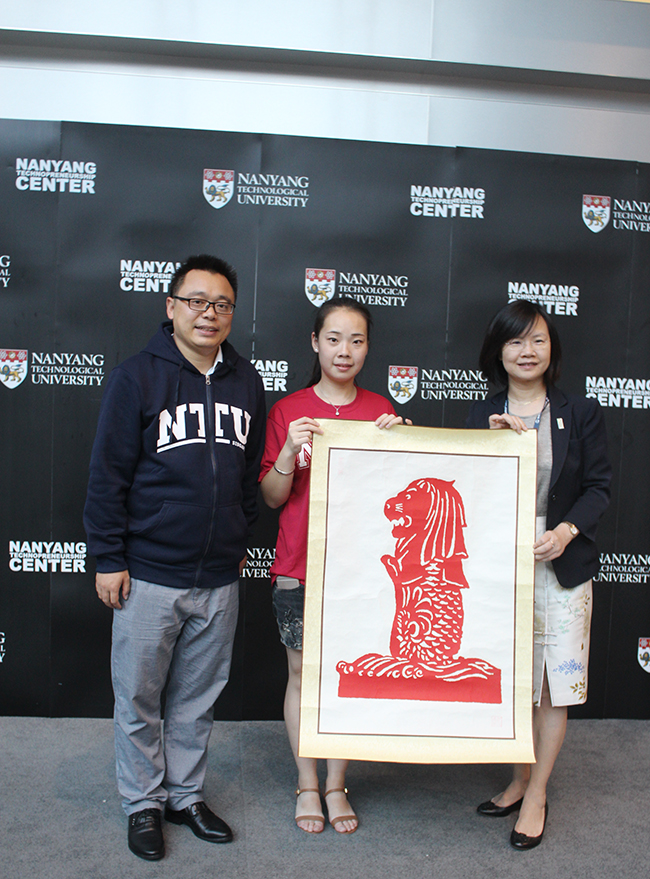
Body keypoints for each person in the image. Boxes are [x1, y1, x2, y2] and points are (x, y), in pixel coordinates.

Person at [83, 254, 265, 861]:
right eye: (196, 301)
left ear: (232, 313)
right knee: (139, 698)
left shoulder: (246, 381)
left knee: (197, 699)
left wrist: (235, 538)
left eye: (221, 304)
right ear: (171, 306)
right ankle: (143, 803)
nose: (209, 313)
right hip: (149, 574)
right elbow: (107, 476)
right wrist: (108, 557)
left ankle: (185, 796)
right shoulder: (136, 376)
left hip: (218, 576)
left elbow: (247, 474)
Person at [466, 300, 611, 850]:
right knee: (513, 680)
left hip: (562, 562)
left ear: (552, 349)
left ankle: (537, 792)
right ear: (498, 352)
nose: (527, 351)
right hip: (500, 566)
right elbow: (462, 487)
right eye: (515, 341)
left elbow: (598, 487)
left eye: (538, 340)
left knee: (552, 686)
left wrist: (566, 531)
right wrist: (496, 445)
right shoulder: (481, 415)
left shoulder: (581, 412)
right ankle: (518, 778)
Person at [260, 297, 405, 834]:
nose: (345, 350)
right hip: (299, 565)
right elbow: (272, 497)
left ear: (367, 348)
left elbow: (399, 497)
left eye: (357, 340)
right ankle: (306, 783)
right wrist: (287, 451)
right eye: (335, 338)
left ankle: (337, 784)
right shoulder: (288, 410)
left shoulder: (380, 409)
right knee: (302, 674)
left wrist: (404, 443)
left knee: (348, 676)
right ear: (315, 343)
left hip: (361, 571)